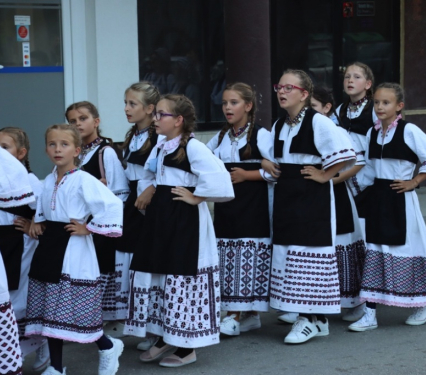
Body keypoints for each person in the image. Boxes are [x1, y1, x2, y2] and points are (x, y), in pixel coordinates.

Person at [125, 94, 234, 367]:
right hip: (160, 218)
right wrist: (149, 189)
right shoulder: (161, 144)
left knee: (181, 276)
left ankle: (187, 347)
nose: (156, 118)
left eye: (162, 114)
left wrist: (197, 197)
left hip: (184, 221)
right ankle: (165, 335)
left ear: (179, 120)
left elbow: (220, 181)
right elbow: (149, 174)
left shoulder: (195, 147)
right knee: (159, 275)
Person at [263, 69, 356, 344]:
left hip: (311, 196)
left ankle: (310, 318)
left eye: (288, 87)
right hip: (286, 196)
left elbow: (347, 153)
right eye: (279, 86)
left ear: (304, 94)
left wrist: (326, 175)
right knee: (290, 254)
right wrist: (267, 164)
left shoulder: (319, 122)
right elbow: (271, 159)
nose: (281, 91)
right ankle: (317, 319)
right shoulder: (280, 124)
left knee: (308, 251)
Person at [348, 83, 426, 332]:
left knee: (407, 249)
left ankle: (424, 304)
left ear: (399, 106)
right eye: (378, 103)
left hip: (401, 199)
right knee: (374, 251)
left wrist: (414, 181)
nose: (380, 107)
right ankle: (370, 313)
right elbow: (369, 169)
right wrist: (356, 193)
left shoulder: (409, 130)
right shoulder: (373, 133)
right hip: (378, 199)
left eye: (387, 103)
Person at [24, 124, 124, 375]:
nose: (58, 149)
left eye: (64, 144)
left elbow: (111, 204)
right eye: (52, 144)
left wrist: (89, 228)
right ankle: (56, 369)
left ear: (76, 150)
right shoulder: (48, 180)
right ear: (46, 149)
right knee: (51, 315)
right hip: (49, 249)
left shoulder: (83, 179)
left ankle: (108, 345)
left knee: (75, 313)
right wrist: (38, 221)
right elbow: (45, 208)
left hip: (73, 251)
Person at [206, 82, 274, 336]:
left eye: (233, 103)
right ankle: (240, 315)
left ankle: (240, 314)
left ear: (248, 105)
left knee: (249, 256)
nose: (227, 108)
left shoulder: (261, 135)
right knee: (228, 257)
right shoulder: (222, 136)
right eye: (224, 103)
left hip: (252, 206)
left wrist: (248, 174)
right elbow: (204, 158)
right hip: (227, 207)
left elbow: (277, 172)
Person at [65, 102, 130, 335]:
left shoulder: (106, 152)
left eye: (83, 118)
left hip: (97, 228)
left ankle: (97, 323)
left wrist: (94, 226)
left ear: (97, 121)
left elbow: (119, 194)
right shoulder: (75, 152)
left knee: (99, 270)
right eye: (72, 121)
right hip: (79, 225)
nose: (78, 124)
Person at [308, 89, 367, 322]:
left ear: (327, 108)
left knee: (344, 245)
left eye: (313, 107)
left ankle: (355, 302)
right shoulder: (305, 130)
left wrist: (331, 179)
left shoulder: (337, 130)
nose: (309, 112)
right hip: (314, 194)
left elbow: (357, 161)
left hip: (337, 193)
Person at [0, 127, 48, 371]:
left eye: (4, 147)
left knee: (18, 299)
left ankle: (40, 343)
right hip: (2, 242)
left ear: (20, 153)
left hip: (19, 244)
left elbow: (43, 213)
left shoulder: (29, 180)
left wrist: (32, 224)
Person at [119, 82, 160, 347]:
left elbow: (165, 171)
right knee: (135, 262)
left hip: (152, 201)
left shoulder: (159, 137)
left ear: (150, 108)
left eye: (132, 104)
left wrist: (152, 189)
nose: (126, 108)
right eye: (125, 103)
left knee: (152, 263)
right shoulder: (132, 135)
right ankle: (142, 323)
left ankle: (157, 327)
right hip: (134, 200)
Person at [0, 147, 35, 375]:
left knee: (18, 296)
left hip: (14, 238)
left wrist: (35, 222)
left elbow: (33, 207)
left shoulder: (21, 174)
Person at [336, 62, 378, 200]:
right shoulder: (340, 110)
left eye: (357, 77)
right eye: (347, 77)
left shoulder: (374, 109)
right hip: (346, 170)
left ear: (368, 84)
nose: (350, 80)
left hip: (369, 172)